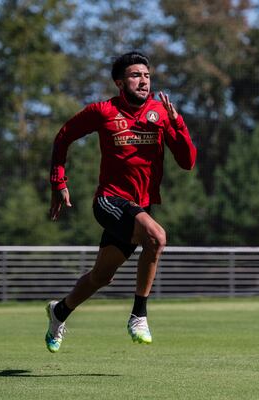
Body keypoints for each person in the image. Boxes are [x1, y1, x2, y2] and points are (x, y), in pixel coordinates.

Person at [45, 51, 197, 353]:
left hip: (139, 208)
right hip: (109, 201)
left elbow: (188, 161)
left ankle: (59, 311)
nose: (143, 80)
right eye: (135, 75)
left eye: (147, 75)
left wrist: (178, 123)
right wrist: (58, 182)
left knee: (101, 277)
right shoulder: (103, 111)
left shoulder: (162, 112)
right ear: (119, 82)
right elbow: (63, 136)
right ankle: (139, 314)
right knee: (157, 237)